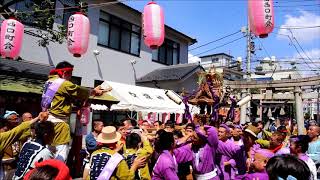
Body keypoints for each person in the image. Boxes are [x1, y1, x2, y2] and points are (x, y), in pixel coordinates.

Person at [42, 61, 106, 162]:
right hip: (59, 123)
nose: (70, 77)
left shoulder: (49, 82)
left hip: (47, 121)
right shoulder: (62, 83)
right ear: (64, 72)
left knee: (49, 151)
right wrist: (93, 91)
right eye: (70, 74)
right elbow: (78, 90)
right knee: (61, 153)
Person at [0, 112, 47, 179]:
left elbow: (18, 130)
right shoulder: (3, 134)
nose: (16, 121)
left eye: (17, 119)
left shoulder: (18, 133)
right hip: (6, 166)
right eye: (13, 119)